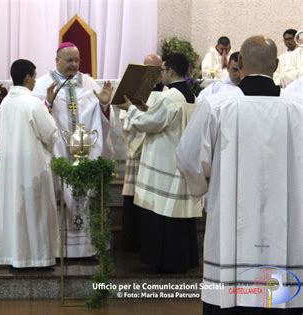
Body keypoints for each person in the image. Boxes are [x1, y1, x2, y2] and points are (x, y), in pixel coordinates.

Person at [177, 35, 303, 314]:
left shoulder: (217, 105)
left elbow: (188, 158)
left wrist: (206, 186)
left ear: (241, 62)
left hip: (231, 228)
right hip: (289, 228)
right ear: (277, 64)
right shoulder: (298, 110)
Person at [117, 53, 202, 273]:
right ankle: (185, 259)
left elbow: (150, 124)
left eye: (163, 70)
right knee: (179, 215)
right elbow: (162, 119)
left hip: (165, 163)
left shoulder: (169, 97)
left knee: (162, 213)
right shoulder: (191, 96)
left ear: (171, 71)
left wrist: (131, 109)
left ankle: (163, 260)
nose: (161, 74)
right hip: (180, 162)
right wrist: (147, 109)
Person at [32, 42, 114, 258]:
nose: (74, 65)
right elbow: (35, 117)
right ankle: (58, 249)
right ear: (57, 60)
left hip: (86, 153)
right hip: (58, 154)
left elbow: (101, 117)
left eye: (76, 60)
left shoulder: (88, 82)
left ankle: (89, 248)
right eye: (69, 60)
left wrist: (105, 106)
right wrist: (47, 103)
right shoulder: (43, 84)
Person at [0, 59, 59, 268]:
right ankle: (37, 258)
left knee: (15, 211)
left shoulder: (5, 103)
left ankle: (14, 255)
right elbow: (50, 134)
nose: (35, 81)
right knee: (35, 212)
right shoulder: (32, 103)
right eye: (33, 76)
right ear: (27, 78)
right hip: (32, 167)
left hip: (10, 167)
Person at [120, 53, 164, 252]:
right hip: (138, 150)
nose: (152, 74)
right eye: (148, 69)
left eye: (156, 70)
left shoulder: (169, 93)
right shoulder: (133, 92)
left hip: (157, 151)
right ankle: (132, 242)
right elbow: (125, 120)